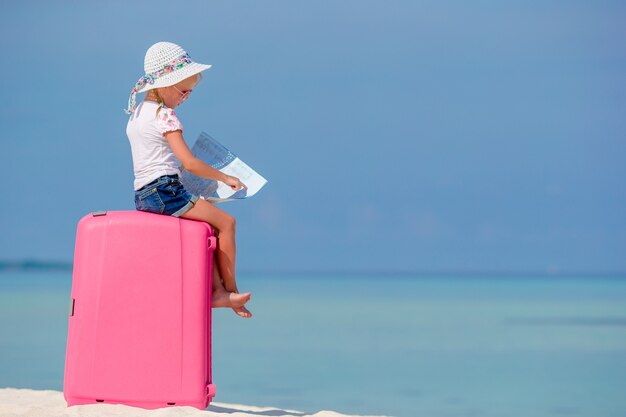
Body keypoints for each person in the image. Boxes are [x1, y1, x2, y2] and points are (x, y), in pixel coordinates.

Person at [124, 41, 252, 318]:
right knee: (227, 223)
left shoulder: (137, 114)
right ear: (165, 85)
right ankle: (228, 293)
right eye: (183, 92)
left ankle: (218, 290)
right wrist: (225, 177)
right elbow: (190, 162)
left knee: (210, 225)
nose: (185, 98)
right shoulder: (165, 116)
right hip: (166, 192)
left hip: (143, 194)